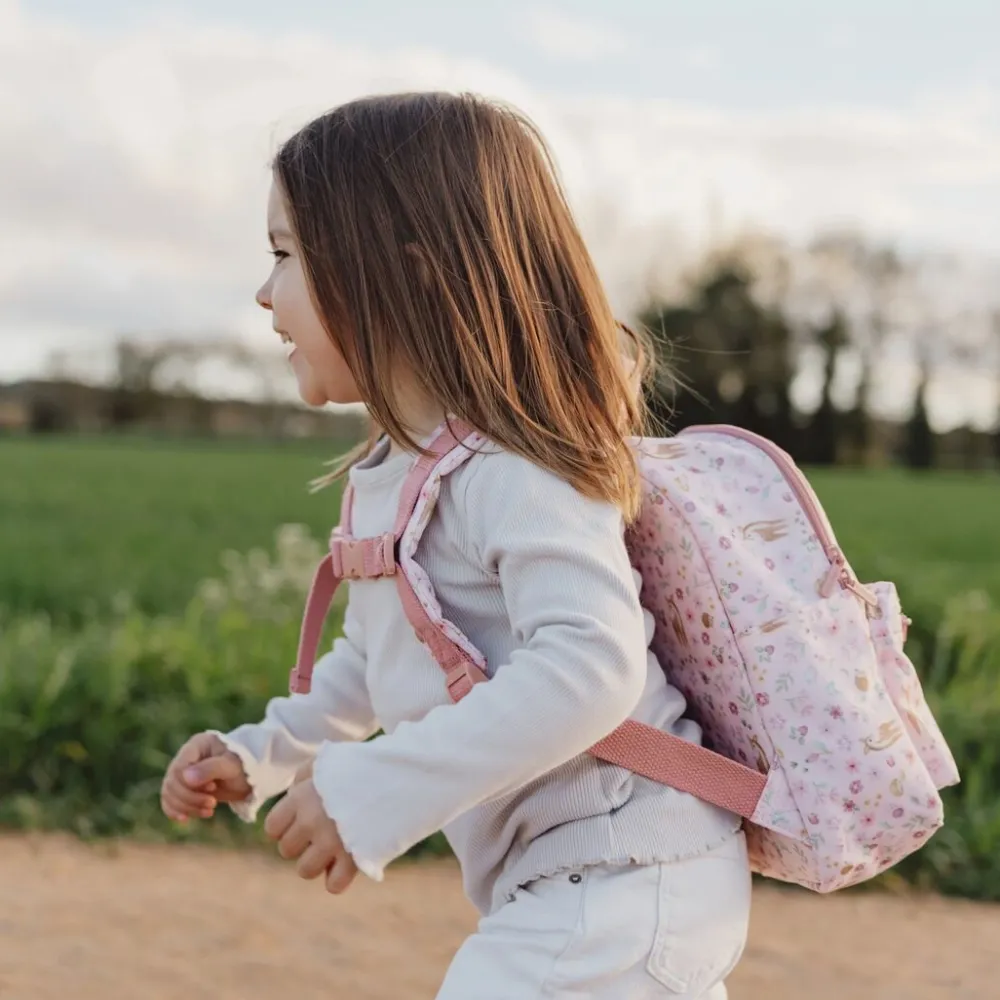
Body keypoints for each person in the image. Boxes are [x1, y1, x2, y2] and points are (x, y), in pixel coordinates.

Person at [160, 91, 751, 999]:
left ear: (406, 276)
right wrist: (265, 755)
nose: (263, 289)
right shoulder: (397, 474)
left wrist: (371, 790)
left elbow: (592, 666)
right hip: (582, 883)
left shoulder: (515, 467)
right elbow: (379, 663)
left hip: (630, 868)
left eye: (285, 253)